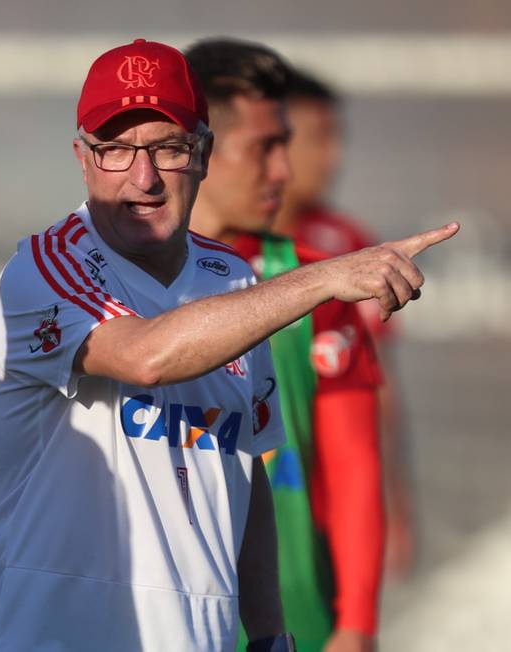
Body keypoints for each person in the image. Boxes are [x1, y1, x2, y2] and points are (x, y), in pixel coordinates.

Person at [0, 38, 455, 651]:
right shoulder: (43, 267)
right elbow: (145, 357)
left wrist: (269, 634)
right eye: (116, 150)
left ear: (204, 156)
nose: (144, 177)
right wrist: (324, 277)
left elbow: (245, 465)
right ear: (82, 158)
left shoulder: (235, 278)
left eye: (169, 148)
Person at [184, 38, 384, 652]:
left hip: (297, 618)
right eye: (264, 148)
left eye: (286, 145)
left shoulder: (321, 281)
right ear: (200, 150)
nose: (284, 171)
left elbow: (353, 467)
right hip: (152, 616)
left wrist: (356, 626)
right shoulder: (103, 281)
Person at [274, 68, 414, 580]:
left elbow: (380, 389)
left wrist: (395, 502)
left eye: (337, 139)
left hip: (325, 508)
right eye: (318, 139)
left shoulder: (346, 242)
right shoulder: (206, 248)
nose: (332, 158)